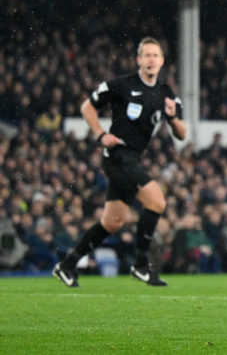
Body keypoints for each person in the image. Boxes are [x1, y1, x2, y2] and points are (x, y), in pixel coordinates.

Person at [52, 37, 186, 288]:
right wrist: (101, 134)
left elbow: (182, 133)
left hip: (133, 158)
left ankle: (67, 265)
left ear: (162, 61)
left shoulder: (166, 93)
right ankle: (141, 266)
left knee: (112, 222)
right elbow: (87, 107)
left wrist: (173, 118)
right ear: (138, 60)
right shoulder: (121, 85)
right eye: (146, 55)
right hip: (117, 156)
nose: (150, 59)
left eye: (155, 55)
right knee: (157, 201)